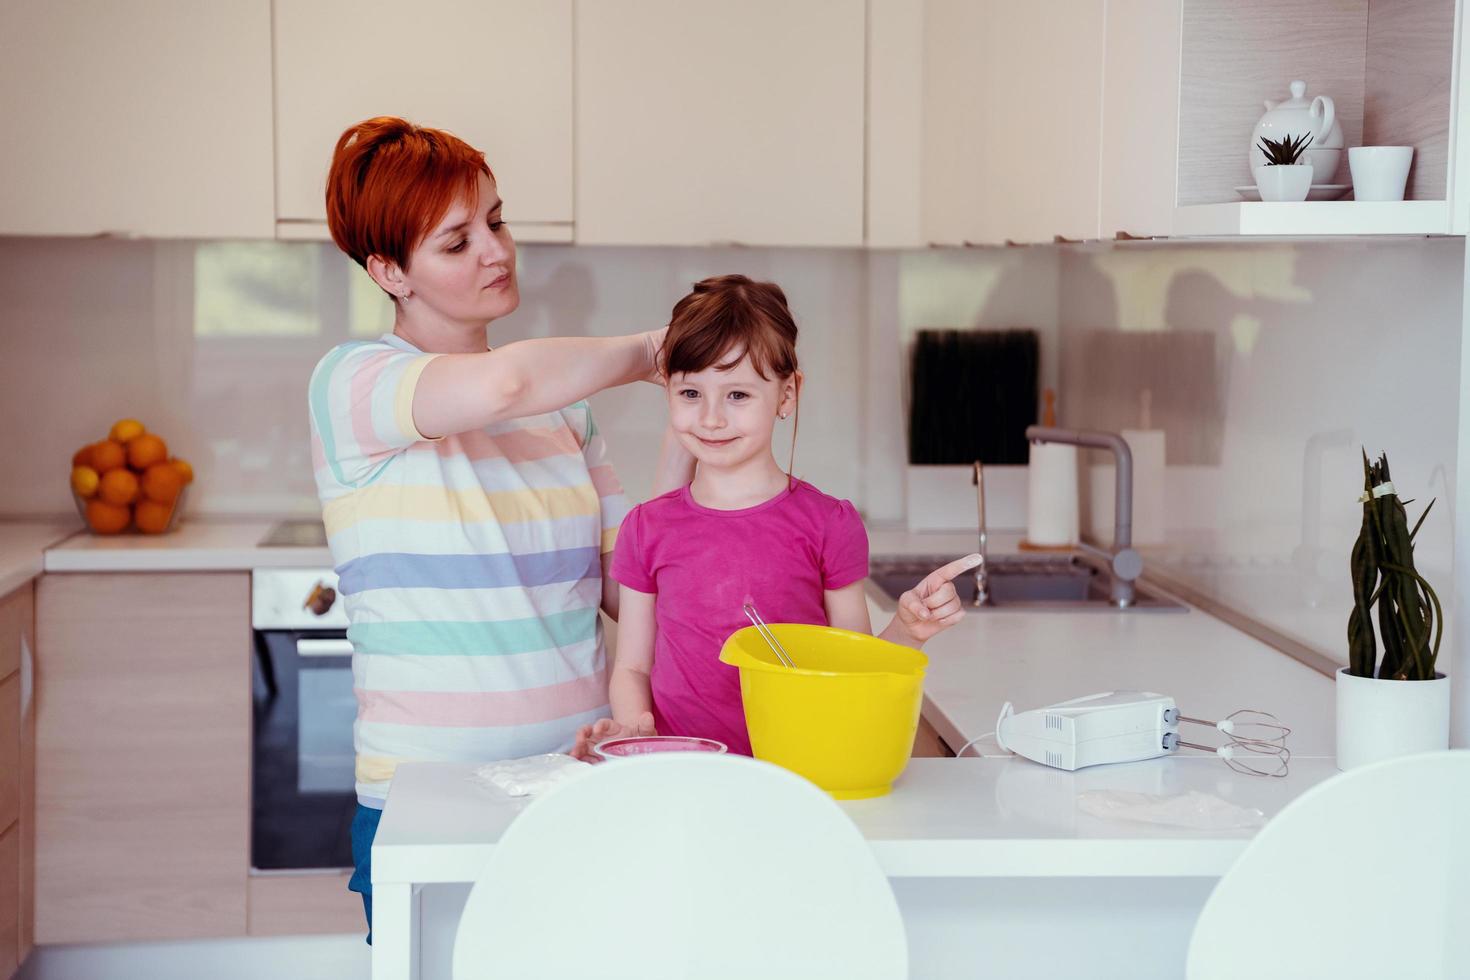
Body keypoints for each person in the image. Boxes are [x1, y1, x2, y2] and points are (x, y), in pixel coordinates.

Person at [307, 116, 691, 937]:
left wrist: (693, 425)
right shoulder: (357, 385)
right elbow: (506, 385)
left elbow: (639, 584)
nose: (496, 251)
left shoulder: (566, 412)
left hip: (579, 784)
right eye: (456, 241)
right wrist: (659, 350)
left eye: (496, 220)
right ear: (388, 271)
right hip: (429, 801)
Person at [573, 275, 979, 757]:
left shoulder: (830, 524)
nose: (711, 418)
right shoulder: (646, 528)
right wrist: (634, 728)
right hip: (684, 774)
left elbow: (852, 670)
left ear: (787, 395)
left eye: (737, 395)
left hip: (801, 769)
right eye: (690, 394)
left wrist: (908, 632)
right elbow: (634, 668)